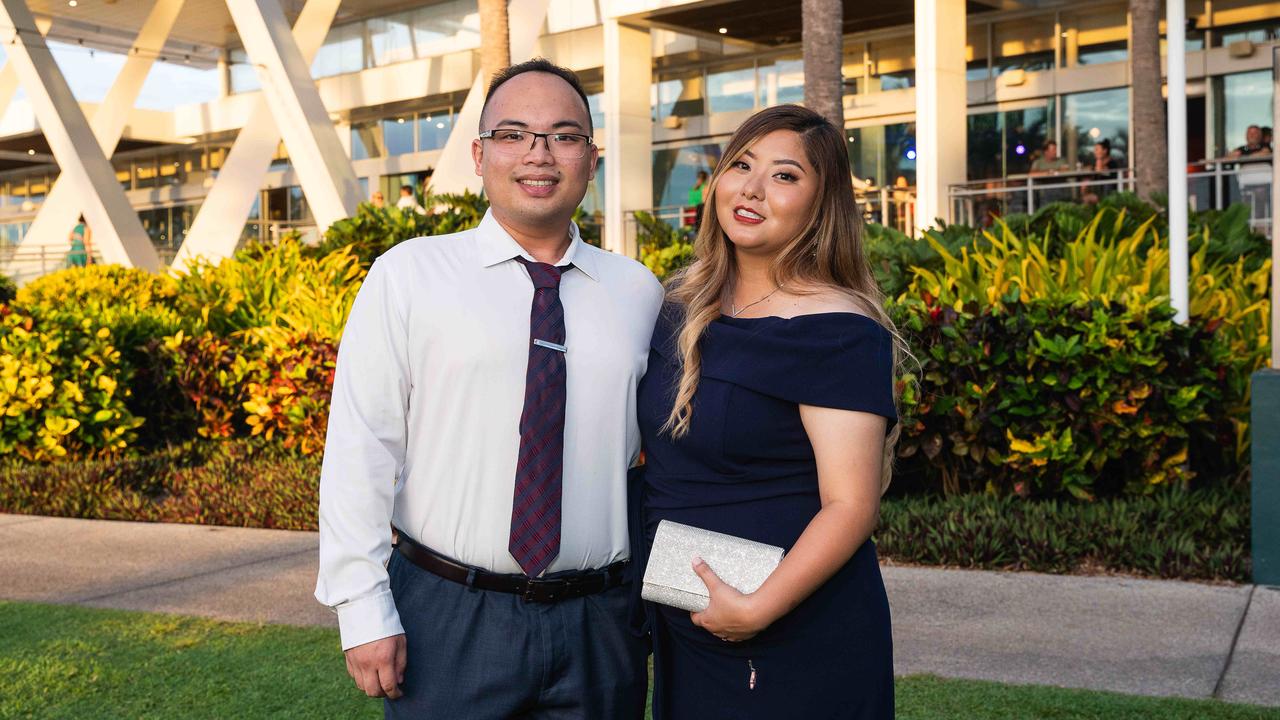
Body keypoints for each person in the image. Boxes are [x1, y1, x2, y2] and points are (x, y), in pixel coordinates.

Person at [316, 58, 663, 718]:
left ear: (592, 160)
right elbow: (362, 449)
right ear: (478, 155)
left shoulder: (637, 292)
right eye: (513, 134)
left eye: (563, 135)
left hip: (600, 623)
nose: (538, 154)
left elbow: (673, 461)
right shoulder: (410, 276)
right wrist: (362, 608)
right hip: (449, 616)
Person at [636, 104, 906, 719]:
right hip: (687, 617)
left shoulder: (836, 328)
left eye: (785, 176)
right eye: (741, 165)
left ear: (821, 202)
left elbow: (852, 504)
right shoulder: (678, 307)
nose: (752, 189)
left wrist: (757, 609)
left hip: (790, 626)